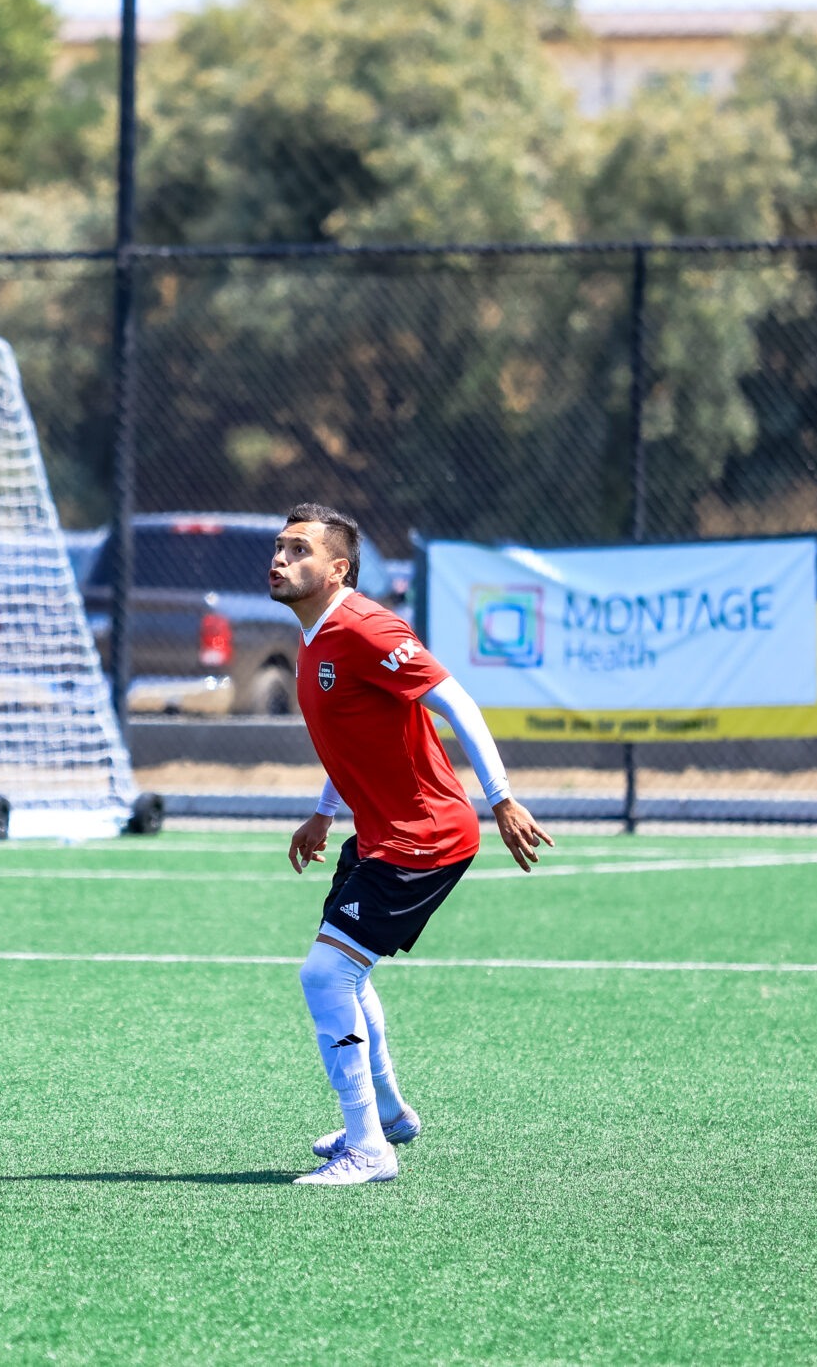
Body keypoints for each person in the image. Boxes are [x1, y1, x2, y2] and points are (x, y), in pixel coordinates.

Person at [269, 502, 553, 1184]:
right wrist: (324, 813)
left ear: (339, 569)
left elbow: (458, 702)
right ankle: (388, 1115)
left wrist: (502, 797)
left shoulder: (366, 627)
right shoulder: (314, 640)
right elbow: (356, 742)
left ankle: (370, 1148)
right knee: (345, 971)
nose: (280, 559)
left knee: (325, 974)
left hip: (424, 838)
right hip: (377, 835)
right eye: (279, 547)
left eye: (299, 550)